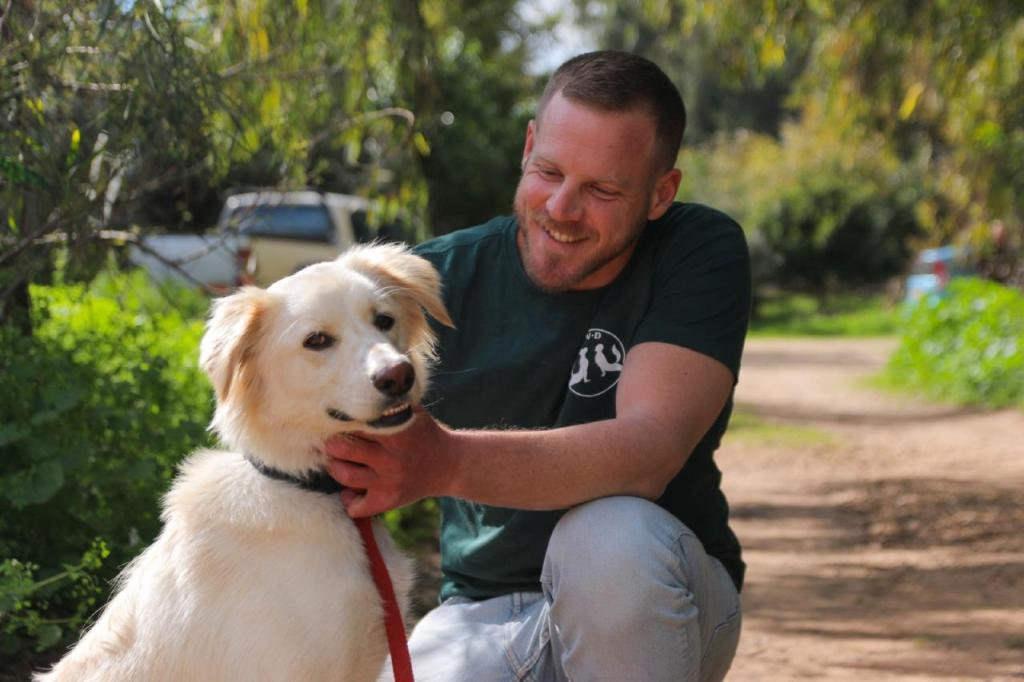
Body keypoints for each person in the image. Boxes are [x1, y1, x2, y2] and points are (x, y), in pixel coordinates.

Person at [326, 50, 751, 681]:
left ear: (661, 193)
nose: (560, 208)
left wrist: (443, 461)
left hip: (661, 601)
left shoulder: (697, 250)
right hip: (481, 612)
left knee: (609, 537)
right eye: (549, 171)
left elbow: (649, 452)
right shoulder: (428, 282)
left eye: (602, 190)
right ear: (528, 146)